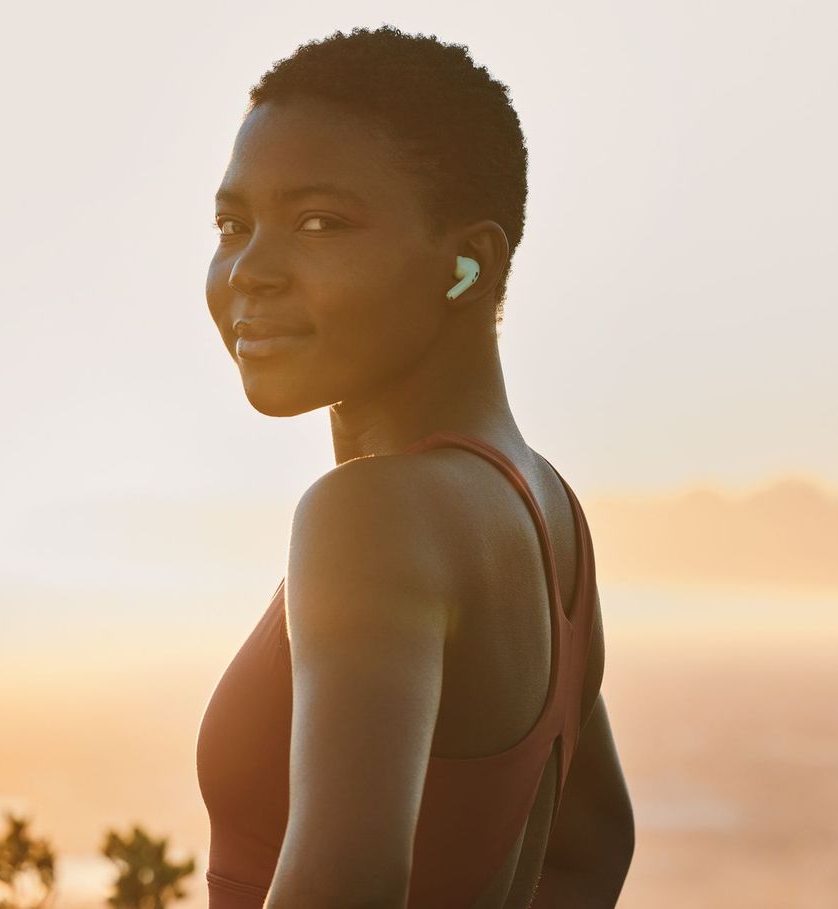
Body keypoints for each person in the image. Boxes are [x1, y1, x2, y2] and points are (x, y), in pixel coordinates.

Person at [195, 24, 634, 909]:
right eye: (234, 224)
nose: (250, 269)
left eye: (320, 222)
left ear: (470, 262)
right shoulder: (546, 509)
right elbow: (593, 848)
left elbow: (346, 888)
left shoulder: (372, 516)